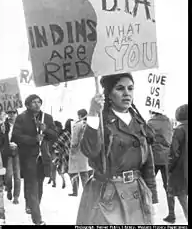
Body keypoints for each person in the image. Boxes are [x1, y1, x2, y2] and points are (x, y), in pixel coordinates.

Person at [76, 73, 158, 225]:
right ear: (108, 94)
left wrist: (151, 196)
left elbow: (148, 163)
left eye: (130, 88)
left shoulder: (139, 121)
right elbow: (89, 150)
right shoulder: (101, 121)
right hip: (107, 194)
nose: (127, 93)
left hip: (136, 192)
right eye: (120, 88)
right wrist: (93, 113)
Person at [11, 94, 57, 225]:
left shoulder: (47, 117)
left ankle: (32, 205)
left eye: (39, 102)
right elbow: (15, 136)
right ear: (27, 105)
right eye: (33, 102)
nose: (37, 104)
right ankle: (37, 219)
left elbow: (54, 135)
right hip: (28, 157)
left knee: (39, 185)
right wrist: (33, 140)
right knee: (32, 186)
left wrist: (46, 129)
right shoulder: (22, 118)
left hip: (44, 158)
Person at [163, 104, 188, 224]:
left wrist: (170, 167)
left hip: (181, 171)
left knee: (183, 199)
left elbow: (173, 152)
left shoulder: (179, 130)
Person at [147, 111, 173, 213]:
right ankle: (171, 213)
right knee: (168, 186)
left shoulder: (150, 123)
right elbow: (169, 139)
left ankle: (149, 209)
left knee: (148, 184)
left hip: (154, 157)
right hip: (167, 157)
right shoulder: (168, 122)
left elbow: (147, 139)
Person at [68, 109, 92, 197]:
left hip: (78, 151)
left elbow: (74, 139)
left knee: (74, 172)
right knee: (85, 172)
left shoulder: (78, 124)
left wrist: (73, 149)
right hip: (87, 150)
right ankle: (88, 192)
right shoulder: (89, 123)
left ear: (79, 115)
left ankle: (76, 191)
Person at [52, 119, 74, 189]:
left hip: (65, 155)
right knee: (71, 171)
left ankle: (64, 183)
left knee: (63, 170)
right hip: (70, 154)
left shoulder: (64, 133)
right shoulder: (70, 133)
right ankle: (73, 187)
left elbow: (56, 144)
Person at [47, 120, 63, 187]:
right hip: (57, 152)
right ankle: (54, 180)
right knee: (57, 167)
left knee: (53, 167)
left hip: (53, 152)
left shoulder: (53, 134)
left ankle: (54, 182)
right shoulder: (59, 133)